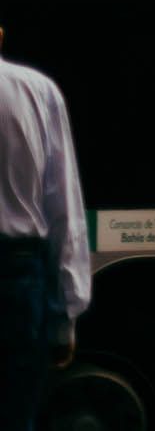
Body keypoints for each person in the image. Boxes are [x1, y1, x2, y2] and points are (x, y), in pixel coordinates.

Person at [0, 26, 90, 431]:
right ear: (0, 36)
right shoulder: (38, 92)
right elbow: (63, 207)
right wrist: (65, 317)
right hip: (16, 279)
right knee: (15, 412)